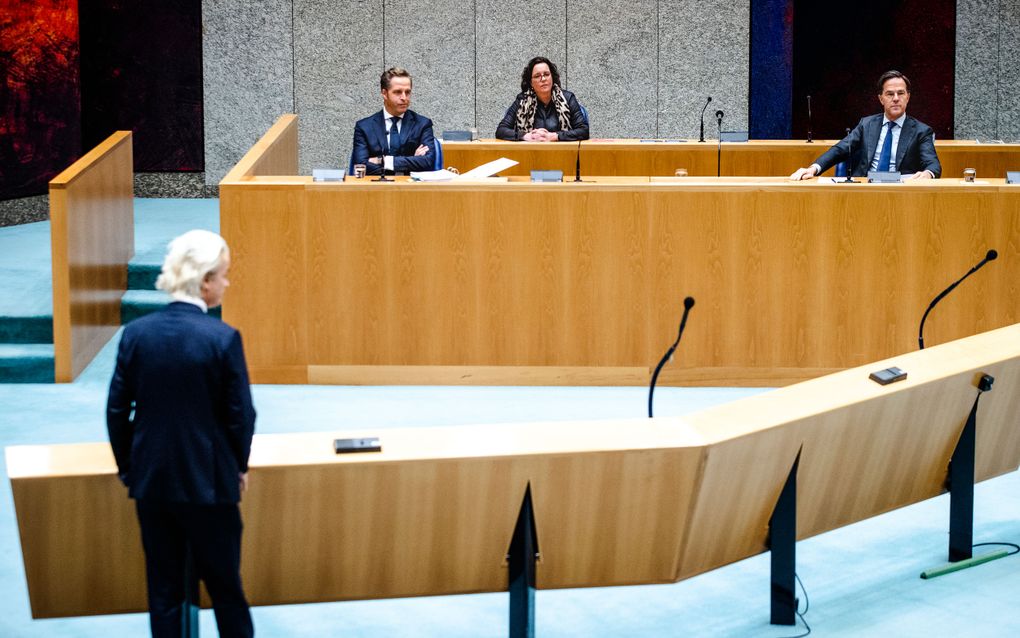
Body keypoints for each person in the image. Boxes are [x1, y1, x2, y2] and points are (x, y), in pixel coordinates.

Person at [107, 229, 256, 638]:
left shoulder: (136, 335)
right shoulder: (222, 338)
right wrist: (237, 468)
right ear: (206, 279)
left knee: (165, 594)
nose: (226, 283)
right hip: (210, 485)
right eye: (224, 275)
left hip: (153, 482)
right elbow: (242, 416)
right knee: (227, 591)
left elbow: (117, 411)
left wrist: (130, 469)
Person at [790, 70, 941, 180]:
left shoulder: (921, 131)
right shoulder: (867, 124)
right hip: (864, 188)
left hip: (901, 193)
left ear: (908, 97)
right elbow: (840, 149)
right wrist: (813, 168)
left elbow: (933, 164)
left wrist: (928, 174)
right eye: (890, 94)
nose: (896, 98)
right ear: (881, 99)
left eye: (900, 93)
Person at [352, 67, 436, 175]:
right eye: (397, 92)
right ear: (384, 93)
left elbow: (427, 162)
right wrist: (412, 161)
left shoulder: (422, 124)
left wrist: (382, 160)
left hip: (411, 187)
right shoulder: (364, 127)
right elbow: (360, 166)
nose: (404, 97)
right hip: (376, 188)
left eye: (407, 92)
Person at [496, 57, 590, 142]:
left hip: (562, 155)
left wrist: (554, 136)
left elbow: (583, 131)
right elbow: (501, 130)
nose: (543, 79)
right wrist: (525, 136)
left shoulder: (568, 98)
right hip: (529, 155)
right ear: (531, 83)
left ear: (552, 77)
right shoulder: (522, 100)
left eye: (546, 74)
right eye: (537, 76)